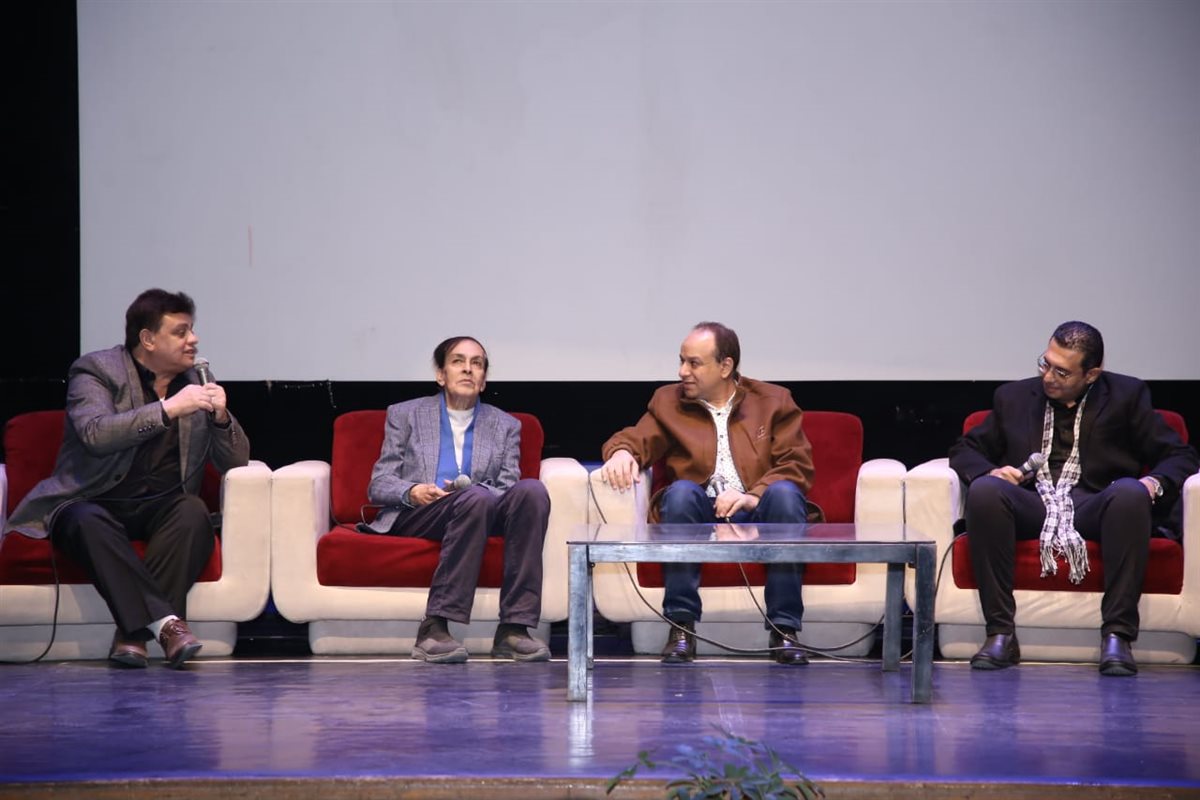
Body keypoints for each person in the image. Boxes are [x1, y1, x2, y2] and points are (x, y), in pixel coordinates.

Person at [4, 289, 250, 669]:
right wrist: (167, 409)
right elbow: (96, 434)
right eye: (181, 332)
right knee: (87, 520)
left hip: (160, 505)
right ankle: (166, 625)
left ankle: (132, 635)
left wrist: (220, 418)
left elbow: (236, 461)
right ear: (148, 339)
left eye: (192, 330)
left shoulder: (197, 380)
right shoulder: (96, 371)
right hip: (91, 500)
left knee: (192, 511)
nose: (194, 340)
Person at [949, 321, 1197, 676]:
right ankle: (1000, 633)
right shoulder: (1013, 397)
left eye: (1062, 372)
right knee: (986, 491)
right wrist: (992, 471)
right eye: (1046, 363)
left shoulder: (1126, 396)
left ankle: (1117, 636)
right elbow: (964, 450)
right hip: (1034, 504)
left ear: (1091, 374)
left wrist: (1152, 484)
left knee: (1130, 493)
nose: (1048, 377)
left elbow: (1180, 455)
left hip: (1095, 505)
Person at [600, 321, 814, 665]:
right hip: (701, 509)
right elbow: (636, 438)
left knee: (786, 495)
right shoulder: (669, 402)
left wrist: (753, 495)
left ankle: (784, 630)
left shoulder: (773, 400)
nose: (682, 371)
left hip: (759, 506)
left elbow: (796, 463)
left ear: (725, 366)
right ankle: (681, 627)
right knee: (680, 493)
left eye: (694, 363)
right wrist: (623, 452)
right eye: (682, 361)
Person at [362, 336, 551, 663]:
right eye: (458, 361)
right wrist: (413, 491)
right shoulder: (406, 415)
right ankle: (434, 627)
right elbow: (379, 483)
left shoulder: (506, 425)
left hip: (480, 508)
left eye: (477, 364)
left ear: (483, 380)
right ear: (441, 375)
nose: (468, 369)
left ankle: (514, 628)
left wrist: (471, 491)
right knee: (475, 497)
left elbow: (507, 487)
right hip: (423, 512)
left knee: (532, 491)